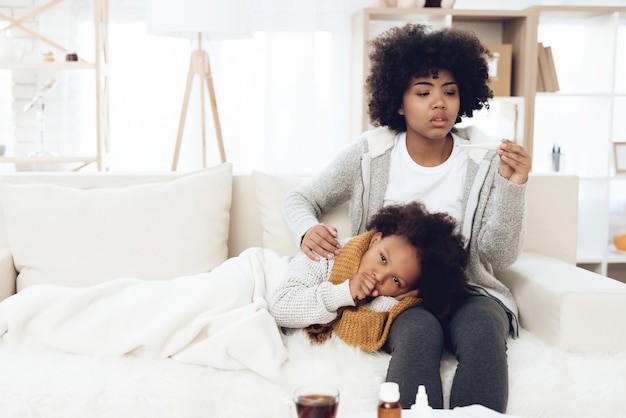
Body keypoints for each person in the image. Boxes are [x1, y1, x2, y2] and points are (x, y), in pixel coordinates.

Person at [281, 23, 531, 412]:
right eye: (423, 92)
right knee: (420, 331)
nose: (440, 103)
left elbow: (500, 255)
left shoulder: (482, 160)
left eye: (450, 91)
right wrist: (307, 230)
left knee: (484, 331)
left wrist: (513, 185)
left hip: (467, 291)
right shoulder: (370, 154)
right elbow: (300, 199)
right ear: (398, 102)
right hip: (395, 297)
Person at [270, 201, 469, 353]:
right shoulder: (326, 253)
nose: (379, 276)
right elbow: (280, 308)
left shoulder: (391, 299)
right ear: (375, 240)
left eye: (396, 280)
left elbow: (350, 345)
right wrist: (345, 292)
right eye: (382, 258)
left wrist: (396, 300)